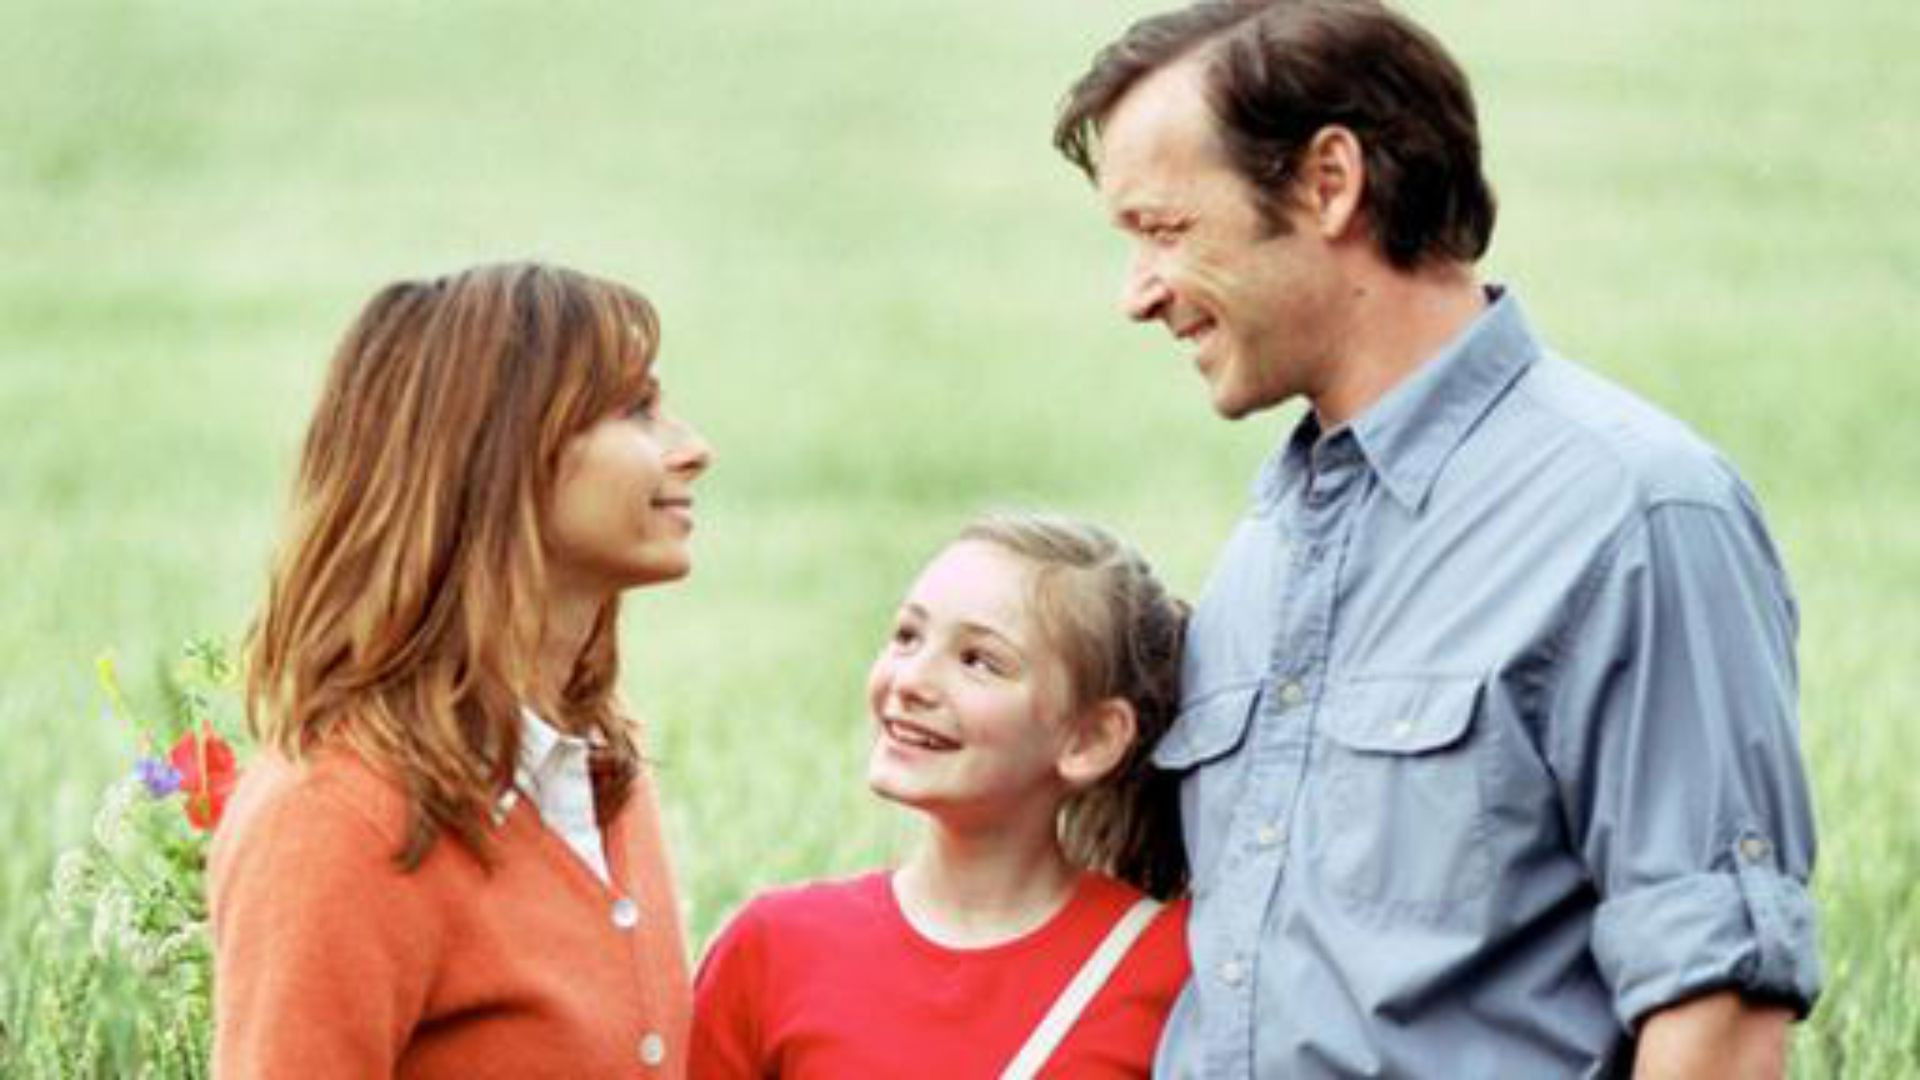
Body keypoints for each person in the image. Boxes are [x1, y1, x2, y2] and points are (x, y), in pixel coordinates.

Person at [1050, 2, 1820, 1076]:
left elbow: (1720, 1013)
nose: (1136, 293)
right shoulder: (1267, 548)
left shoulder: (1635, 513)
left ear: (1329, 182)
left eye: (1167, 229)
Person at [211, 262, 713, 1076]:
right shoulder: (335, 819)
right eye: (635, 409)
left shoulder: (600, 772)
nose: (694, 450)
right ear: (497, 449)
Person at [691, 513, 1191, 1078]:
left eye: (979, 661)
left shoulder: (1173, 970)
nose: (910, 681)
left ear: (1090, 739)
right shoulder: (774, 948)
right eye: (908, 636)